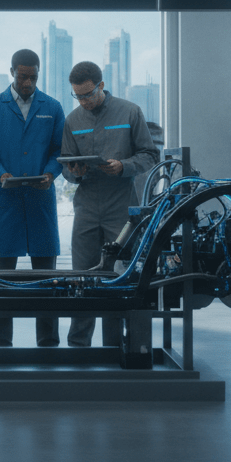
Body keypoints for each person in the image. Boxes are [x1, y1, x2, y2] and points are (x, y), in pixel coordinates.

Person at [59, 61, 159, 347]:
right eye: (78, 96)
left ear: (101, 86)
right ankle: (78, 347)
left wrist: (124, 166)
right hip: (86, 207)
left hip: (121, 208)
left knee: (118, 279)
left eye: (88, 94)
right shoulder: (72, 121)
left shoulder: (129, 111)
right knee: (81, 278)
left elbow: (150, 155)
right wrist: (73, 172)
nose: (84, 101)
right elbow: (66, 165)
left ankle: (114, 348)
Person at [0, 48, 66, 347]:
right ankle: (0, 344)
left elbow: (60, 152)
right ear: (12, 72)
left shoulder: (52, 107)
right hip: (7, 202)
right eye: (23, 76)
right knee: (2, 281)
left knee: (47, 281)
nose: (28, 82)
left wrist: (51, 175)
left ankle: (49, 343)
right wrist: (1, 175)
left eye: (33, 77)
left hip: (41, 201)